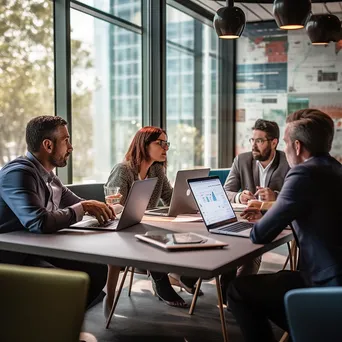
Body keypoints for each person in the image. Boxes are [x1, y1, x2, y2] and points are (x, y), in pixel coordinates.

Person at [227, 109, 342, 342]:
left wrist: (268, 217)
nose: (286, 150)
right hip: (333, 276)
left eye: (287, 144)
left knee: (237, 290)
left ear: (297, 147)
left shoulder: (302, 173)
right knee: (281, 277)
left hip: (326, 286)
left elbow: (260, 235)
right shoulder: (335, 168)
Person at [0, 116, 121, 317]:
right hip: (11, 256)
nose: (71, 147)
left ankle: (61, 329)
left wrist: (110, 208)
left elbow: (77, 204)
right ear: (48, 145)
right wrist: (84, 207)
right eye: (66, 140)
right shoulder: (18, 174)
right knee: (69, 281)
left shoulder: (49, 176)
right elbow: (39, 221)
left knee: (96, 271)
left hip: (36, 247)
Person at [106, 126, 201, 308]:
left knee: (190, 231)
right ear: (144, 145)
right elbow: (115, 209)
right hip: (124, 232)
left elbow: (170, 199)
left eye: (167, 143)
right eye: (161, 143)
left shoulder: (156, 171)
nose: (166, 148)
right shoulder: (123, 170)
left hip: (146, 227)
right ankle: (163, 282)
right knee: (153, 232)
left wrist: (189, 202)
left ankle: (184, 275)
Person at [221, 119, 290, 302]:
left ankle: (237, 293)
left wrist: (275, 196)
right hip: (244, 219)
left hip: (272, 223)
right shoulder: (242, 160)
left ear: (274, 142)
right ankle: (233, 292)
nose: (253, 145)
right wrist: (239, 197)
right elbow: (225, 192)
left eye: (259, 141)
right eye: (252, 140)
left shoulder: (287, 162)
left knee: (252, 250)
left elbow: (294, 197)